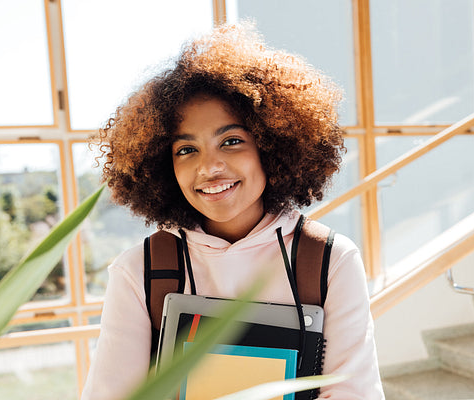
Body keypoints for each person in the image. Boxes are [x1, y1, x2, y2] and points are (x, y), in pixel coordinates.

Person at [81, 23, 385, 400]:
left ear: (271, 148)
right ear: (164, 166)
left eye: (231, 141)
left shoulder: (330, 262)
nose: (209, 168)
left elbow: (352, 394)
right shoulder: (138, 271)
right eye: (186, 150)